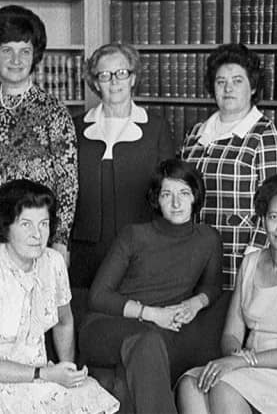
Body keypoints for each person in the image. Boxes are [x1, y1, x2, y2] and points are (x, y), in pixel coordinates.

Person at [0, 179, 118, 414]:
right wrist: (45, 374)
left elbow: (64, 321)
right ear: (5, 227)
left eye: (43, 224)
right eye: (26, 224)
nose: (37, 235)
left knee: (86, 397)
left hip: (36, 371)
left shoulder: (53, 263)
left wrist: (66, 367)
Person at [178, 175, 277, 414]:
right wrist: (233, 357)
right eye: (274, 217)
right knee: (191, 385)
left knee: (223, 386)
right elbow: (231, 333)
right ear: (263, 220)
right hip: (249, 361)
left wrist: (238, 364)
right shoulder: (250, 262)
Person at [80, 159, 224, 413]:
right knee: (147, 342)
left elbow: (213, 286)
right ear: (157, 199)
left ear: (195, 197)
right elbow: (98, 297)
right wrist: (152, 314)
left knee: (132, 375)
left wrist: (196, 302)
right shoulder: (134, 235)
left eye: (184, 193)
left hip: (159, 335)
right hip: (106, 327)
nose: (176, 203)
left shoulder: (208, 239)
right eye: (167, 195)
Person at [0, 5, 77, 265]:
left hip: (37, 239)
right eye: (7, 50)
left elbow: (68, 182)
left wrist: (61, 240)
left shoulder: (53, 111)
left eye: (24, 51)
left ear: (35, 55)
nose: (16, 60)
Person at [180, 43, 277, 291]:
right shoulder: (196, 133)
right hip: (192, 255)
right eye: (221, 81)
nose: (228, 88)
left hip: (238, 257)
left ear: (252, 87)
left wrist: (253, 262)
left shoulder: (267, 137)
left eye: (237, 80)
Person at [70, 43, 176, 288]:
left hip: (141, 246)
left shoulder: (156, 128)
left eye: (121, 73)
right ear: (95, 83)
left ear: (133, 78)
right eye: (105, 75)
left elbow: (168, 190)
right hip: (84, 249)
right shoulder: (75, 127)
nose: (114, 82)